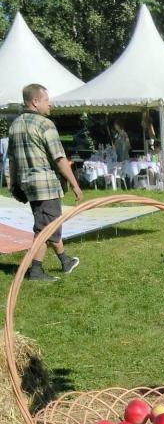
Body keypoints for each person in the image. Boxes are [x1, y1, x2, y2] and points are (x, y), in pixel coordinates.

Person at [8, 83, 81, 283]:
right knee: (45, 229)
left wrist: (14, 184)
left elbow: (12, 160)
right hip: (45, 185)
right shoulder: (44, 124)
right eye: (47, 100)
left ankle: (65, 260)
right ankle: (36, 271)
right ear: (35, 101)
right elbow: (60, 159)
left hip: (28, 185)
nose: (50, 105)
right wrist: (74, 184)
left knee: (48, 223)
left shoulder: (15, 125)